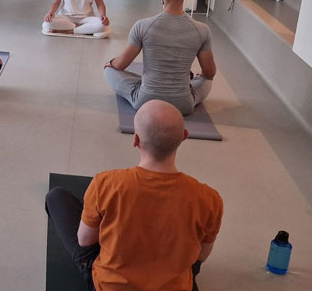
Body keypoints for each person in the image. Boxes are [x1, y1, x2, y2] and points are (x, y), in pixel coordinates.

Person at [45, 100, 224, 291]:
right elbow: (202, 256)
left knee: (55, 197)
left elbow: (85, 240)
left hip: (110, 286)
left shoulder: (106, 183)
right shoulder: (209, 199)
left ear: (136, 140)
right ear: (184, 137)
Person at [103, 0, 216, 116]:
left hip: (145, 100)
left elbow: (121, 65)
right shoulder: (202, 30)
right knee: (206, 80)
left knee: (109, 71)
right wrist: (201, 77)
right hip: (183, 104)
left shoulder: (142, 26)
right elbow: (209, 72)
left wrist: (111, 63)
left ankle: (146, 83)